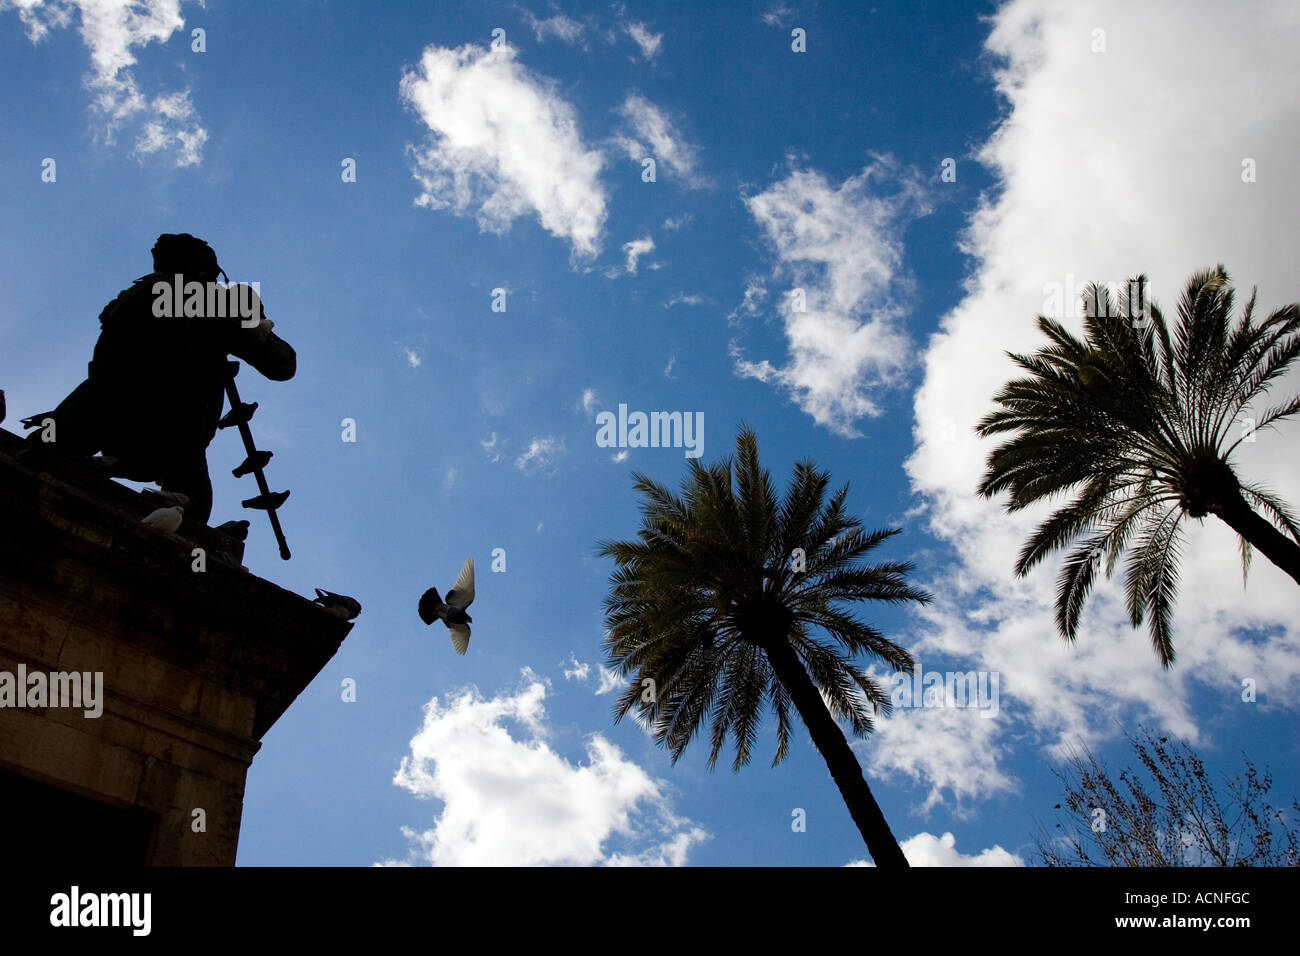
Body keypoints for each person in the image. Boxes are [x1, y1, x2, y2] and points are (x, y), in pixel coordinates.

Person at [25, 234, 295, 524]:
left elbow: (281, 366)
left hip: (108, 407)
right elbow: (282, 365)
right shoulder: (213, 300)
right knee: (191, 512)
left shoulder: (139, 295)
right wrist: (252, 322)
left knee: (37, 457)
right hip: (169, 422)